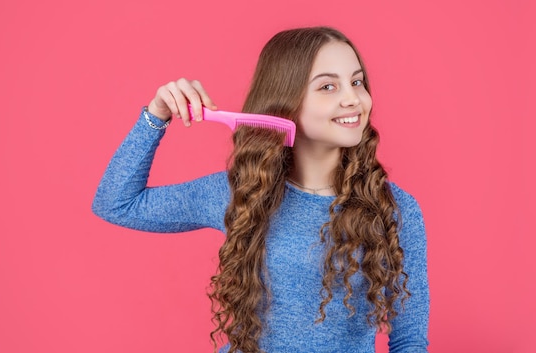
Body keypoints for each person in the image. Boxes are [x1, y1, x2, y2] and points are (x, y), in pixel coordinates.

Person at [92, 26, 429, 353]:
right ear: (287, 101)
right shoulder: (241, 194)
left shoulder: (395, 209)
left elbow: (409, 342)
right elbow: (116, 203)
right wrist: (156, 116)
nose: (353, 99)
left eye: (357, 82)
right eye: (328, 87)